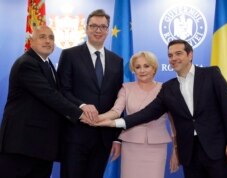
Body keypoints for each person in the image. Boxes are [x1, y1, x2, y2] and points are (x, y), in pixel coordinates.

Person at [94, 39, 227, 178]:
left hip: (217, 149)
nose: (174, 58)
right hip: (189, 152)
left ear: (190, 55)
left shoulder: (211, 74)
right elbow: (146, 114)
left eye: (178, 53)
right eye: (170, 55)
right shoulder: (168, 88)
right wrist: (112, 123)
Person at [0, 26, 84, 178]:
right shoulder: (27, 63)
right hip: (22, 145)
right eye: (42, 37)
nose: (48, 41)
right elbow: (49, 95)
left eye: (51, 38)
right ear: (31, 42)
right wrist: (81, 114)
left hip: (41, 147)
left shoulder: (47, 64)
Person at [82, 51, 179, 178]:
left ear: (154, 68)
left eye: (146, 66)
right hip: (131, 144)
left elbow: (174, 123)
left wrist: (176, 150)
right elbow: (116, 111)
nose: (142, 70)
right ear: (133, 70)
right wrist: (97, 118)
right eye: (138, 67)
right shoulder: (126, 88)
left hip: (157, 146)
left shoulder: (166, 89)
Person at [57, 9, 123, 178]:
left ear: (108, 30)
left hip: (104, 138)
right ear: (86, 28)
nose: (98, 30)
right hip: (75, 135)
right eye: (93, 26)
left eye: (103, 27)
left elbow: (119, 100)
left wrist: (117, 138)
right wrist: (82, 105)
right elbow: (62, 90)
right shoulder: (69, 55)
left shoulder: (117, 61)